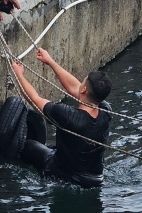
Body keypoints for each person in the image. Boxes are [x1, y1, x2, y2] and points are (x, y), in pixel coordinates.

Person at [12, 47, 112, 188]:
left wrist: (18, 75)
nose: (80, 83)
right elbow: (75, 87)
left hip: (63, 177)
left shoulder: (67, 115)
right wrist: (50, 62)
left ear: (84, 90)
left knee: (28, 146)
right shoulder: (106, 110)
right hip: (95, 180)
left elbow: (34, 99)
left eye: (83, 81)